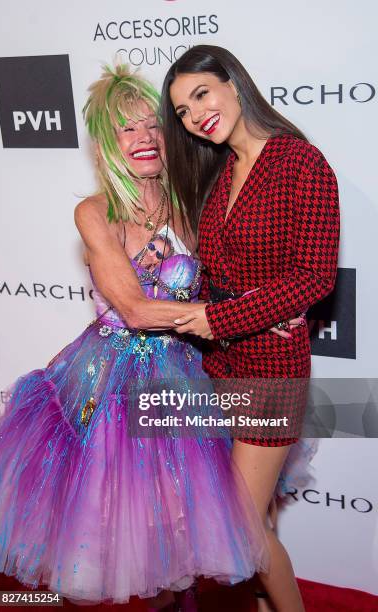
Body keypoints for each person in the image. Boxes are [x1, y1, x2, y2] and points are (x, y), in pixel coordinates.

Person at [0, 63, 271, 607]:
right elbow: (136, 310)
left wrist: (269, 307)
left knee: (183, 523)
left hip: (188, 375)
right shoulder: (95, 212)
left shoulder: (197, 201)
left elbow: (235, 276)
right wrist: (232, 314)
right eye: (127, 128)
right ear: (105, 143)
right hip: (109, 384)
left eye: (153, 125)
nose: (143, 138)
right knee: (106, 532)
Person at [161, 45, 340, 612]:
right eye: (183, 111)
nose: (194, 117)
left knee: (240, 525)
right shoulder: (222, 174)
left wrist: (221, 317)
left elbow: (313, 277)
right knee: (256, 515)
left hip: (272, 369)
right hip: (221, 369)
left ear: (234, 84)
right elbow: (220, 275)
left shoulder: (298, 162)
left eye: (201, 95)